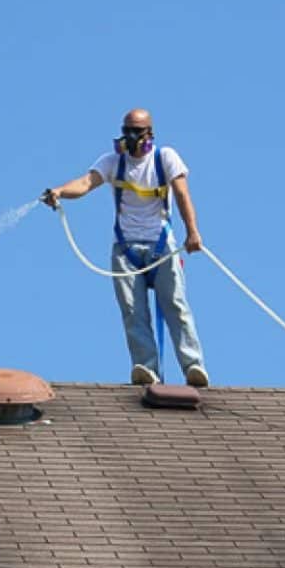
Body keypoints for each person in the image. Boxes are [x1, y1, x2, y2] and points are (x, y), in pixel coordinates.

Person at [43, 108, 209, 387]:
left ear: (149, 134)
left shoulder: (165, 157)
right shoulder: (112, 162)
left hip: (161, 245)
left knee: (176, 306)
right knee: (133, 310)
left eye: (137, 131)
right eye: (127, 131)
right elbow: (85, 183)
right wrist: (59, 192)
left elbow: (182, 193)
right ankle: (146, 367)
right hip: (126, 248)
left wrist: (193, 232)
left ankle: (193, 366)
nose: (131, 137)